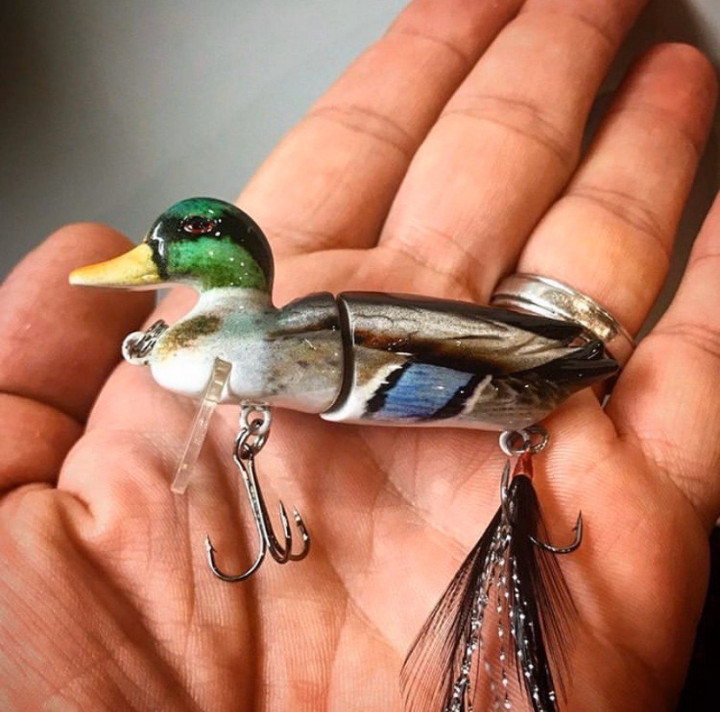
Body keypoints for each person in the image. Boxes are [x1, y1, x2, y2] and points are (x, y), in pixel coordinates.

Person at [1, 0, 719, 709]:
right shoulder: (247, 344)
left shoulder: (269, 346)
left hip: (489, 375)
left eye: (175, 242)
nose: (154, 259)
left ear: (224, 260)